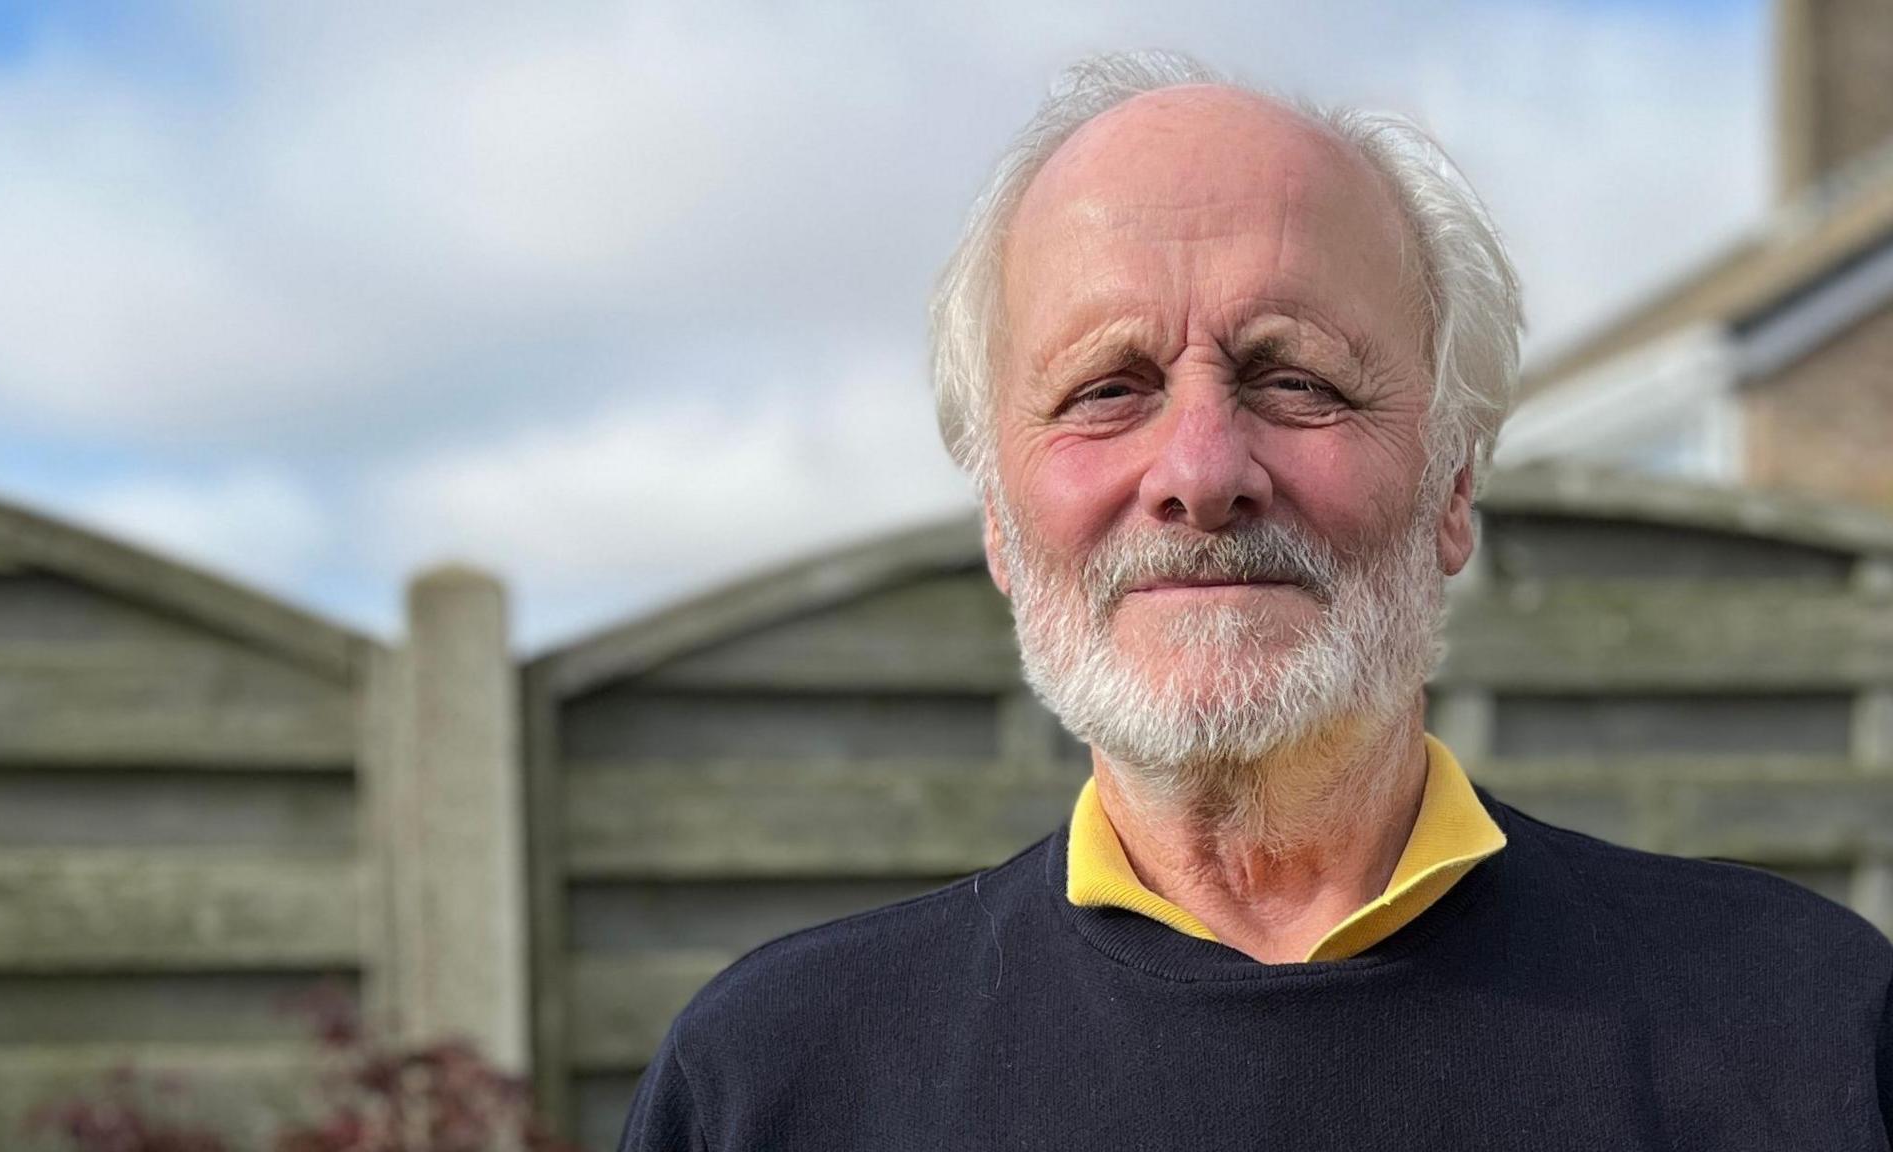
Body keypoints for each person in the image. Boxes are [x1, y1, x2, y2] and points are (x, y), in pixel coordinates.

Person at [620, 50, 1893, 1150]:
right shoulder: (771, 1087)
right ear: (998, 521)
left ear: (1452, 483)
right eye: (1105, 387)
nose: (1199, 473)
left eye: (1294, 378)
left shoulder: (1806, 1027)